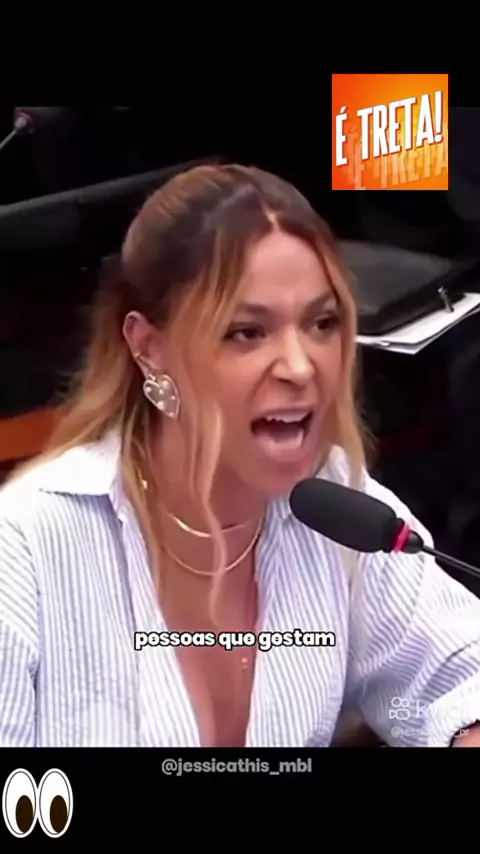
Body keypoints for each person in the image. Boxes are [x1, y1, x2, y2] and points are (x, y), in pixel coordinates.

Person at [1, 163, 480, 749]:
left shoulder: (341, 512)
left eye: (322, 323)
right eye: (247, 332)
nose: (300, 367)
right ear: (149, 348)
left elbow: (452, 681)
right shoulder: (24, 548)